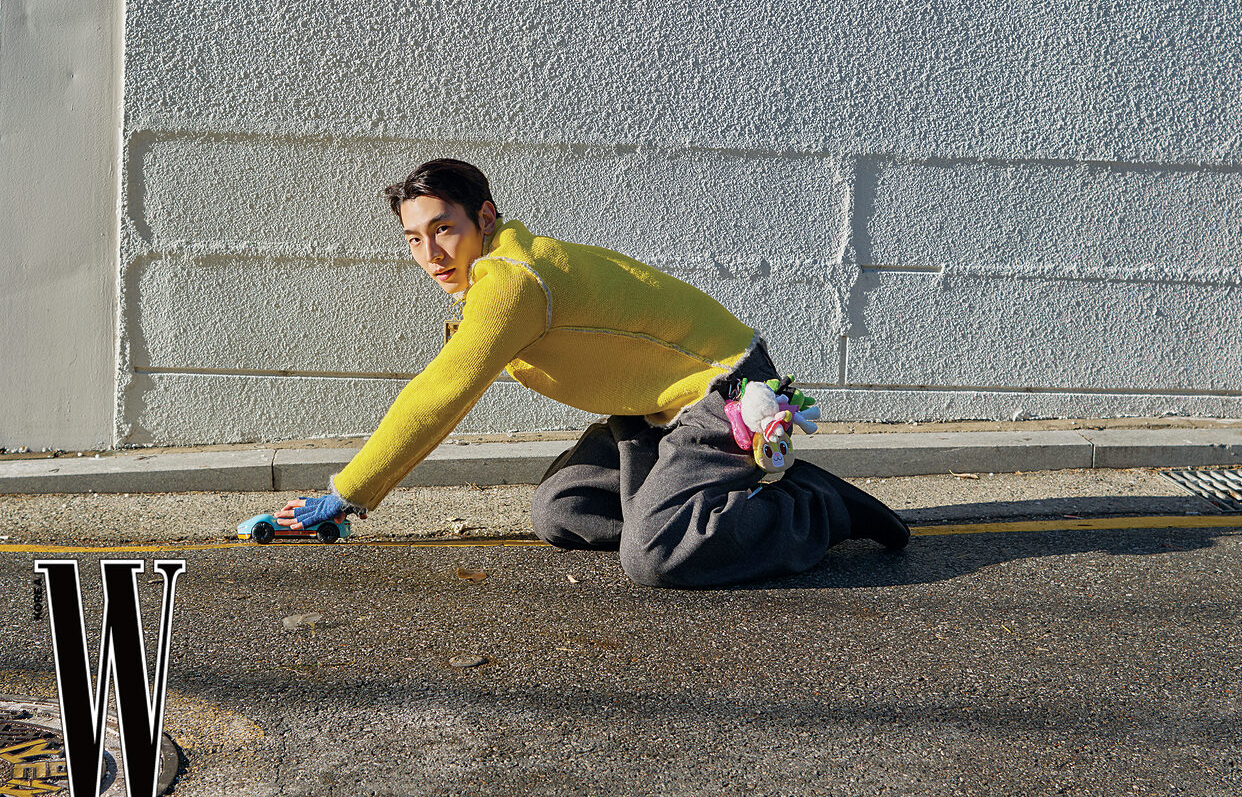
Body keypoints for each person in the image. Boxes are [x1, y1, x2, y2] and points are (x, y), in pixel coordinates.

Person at [275, 158, 908, 587]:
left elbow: (440, 392)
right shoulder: (507, 272)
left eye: (443, 229)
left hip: (725, 394)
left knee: (655, 556)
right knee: (563, 509)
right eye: (415, 238)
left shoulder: (513, 281)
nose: (431, 253)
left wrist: (348, 494)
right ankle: (694, 508)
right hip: (649, 411)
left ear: (485, 218)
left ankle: (814, 506)